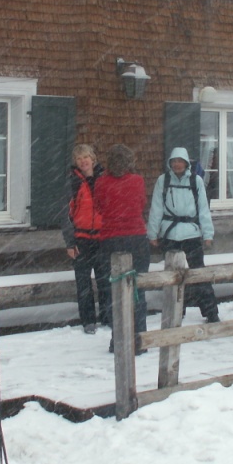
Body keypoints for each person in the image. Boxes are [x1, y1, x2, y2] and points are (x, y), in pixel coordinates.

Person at [147, 147, 220, 323]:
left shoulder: (196, 181)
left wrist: (208, 233)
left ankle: (211, 312)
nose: (177, 164)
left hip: (191, 234)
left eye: (180, 161)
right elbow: (156, 208)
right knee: (173, 276)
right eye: (174, 161)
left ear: (186, 163)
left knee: (199, 274)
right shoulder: (163, 181)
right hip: (170, 234)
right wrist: (153, 233)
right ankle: (176, 310)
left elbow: (203, 209)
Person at [95, 144, 149, 354]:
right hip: (136, 238)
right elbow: (141, 204)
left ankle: (118, 338)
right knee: (138, 289)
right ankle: (139, 338)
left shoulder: (101, 182)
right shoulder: (138, 180)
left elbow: (99, 207)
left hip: (111, 239)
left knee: (115, 291)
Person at [60, 144, 110, 334]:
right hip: (80, 239)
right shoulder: (72, 182)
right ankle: (88, 320)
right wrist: (70, 242)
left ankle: (107, 317)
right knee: (83, 283)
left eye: (86, 157)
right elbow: (65, 214)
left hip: (102, 239)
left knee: (105, 281)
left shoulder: (104, 179)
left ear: (93, 158)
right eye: (79, 158)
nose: (83, 161)